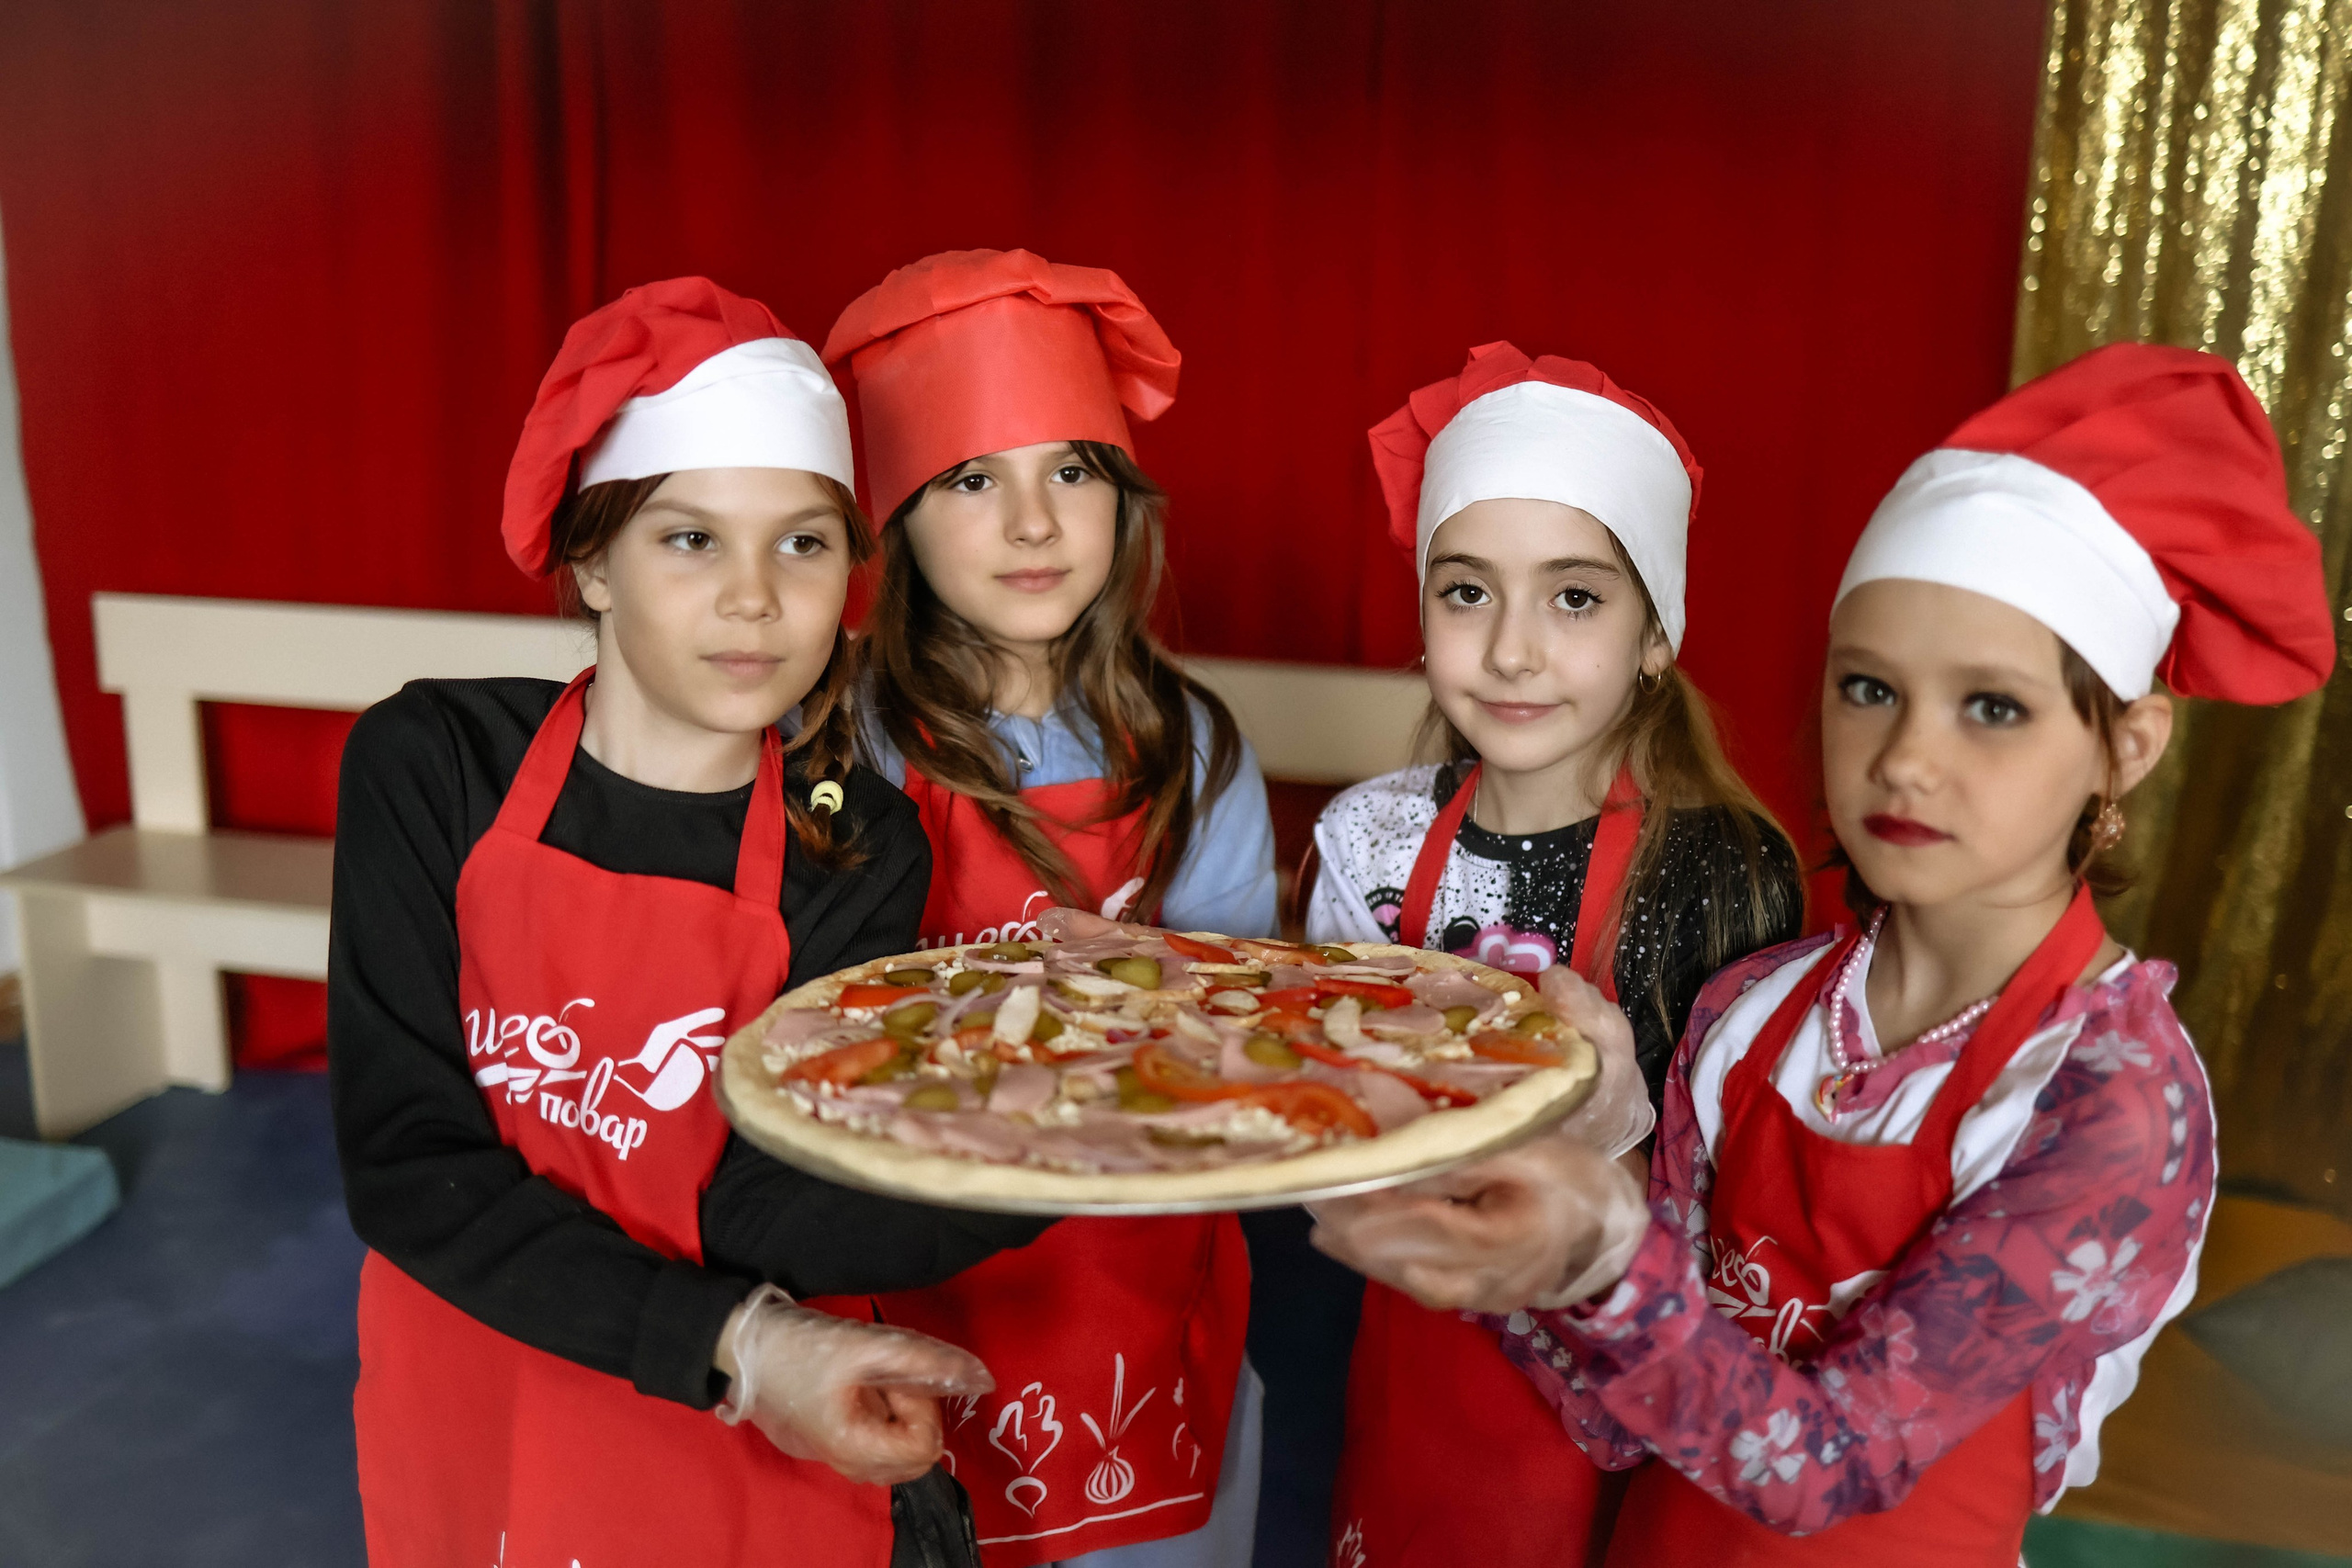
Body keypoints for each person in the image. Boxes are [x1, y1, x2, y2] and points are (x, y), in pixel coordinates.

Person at [1310, 343, 2339, 1564]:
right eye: (1869, 689)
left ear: (2129, 745)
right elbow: (1611, 1418)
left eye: (1992, 707)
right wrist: (1530, 1188)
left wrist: (1593, 1248)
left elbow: (1832, 1462)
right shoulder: (1757, 1012)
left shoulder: (2111, 1094)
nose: (1906, 757)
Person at [332, 277, 1055, 1568]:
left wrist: (1065, 1156)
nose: (754, 598)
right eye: (689, 539)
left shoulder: (858, 836)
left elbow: (765, 1204)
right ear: (591, 560)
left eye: (803, 542)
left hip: (741, 1446)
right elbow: (408, 1162)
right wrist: (741, 1342)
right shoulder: (436, 761)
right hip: (480, 1381)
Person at [1306, 342, 1802, 1565]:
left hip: (1613, 1405)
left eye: (1574, 597)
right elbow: (1311, 1106)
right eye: (1467, 591)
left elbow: (1741, 1221)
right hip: (1404, 1370)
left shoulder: (1727, 871)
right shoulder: (1373, 841)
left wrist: (1612, 1125)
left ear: (1653, 633)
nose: (1513, 650)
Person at [820, 248, 1276, 1567]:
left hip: (1142, 1282)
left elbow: (1253, 1045)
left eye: (1070, 469)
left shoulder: (1195, 747)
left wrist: (1158, 984)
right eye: (973, 479)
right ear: (898, 515)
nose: (1033, 524)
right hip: (918, 1279)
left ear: (1123, 499)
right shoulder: (846, 745)